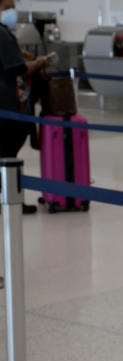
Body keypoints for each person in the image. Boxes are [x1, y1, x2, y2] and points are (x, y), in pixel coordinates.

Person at [0, 0, 51, 214]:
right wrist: (40, 62)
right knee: (8, 153)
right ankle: (12, 201)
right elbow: (17, 67)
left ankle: (9, 199)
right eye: (7, 7)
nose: (12, 11)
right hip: (9, 103)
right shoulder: (2, 35)